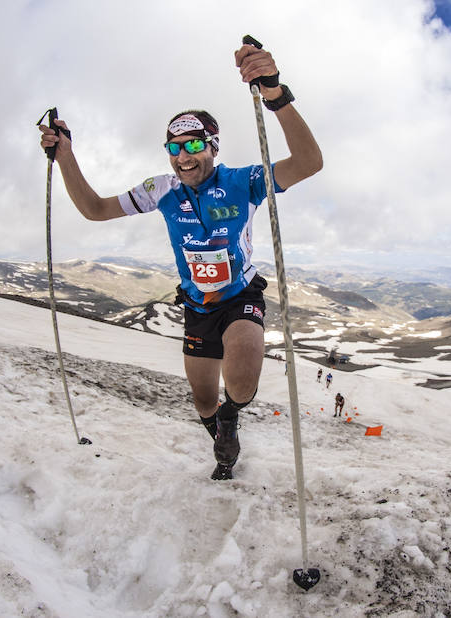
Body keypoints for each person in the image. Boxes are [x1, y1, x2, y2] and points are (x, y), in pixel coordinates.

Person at [38, 41, 322, 481]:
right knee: (203, 400)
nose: (183, 156)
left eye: (193, 144)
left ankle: (231, 416)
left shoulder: (242, 181)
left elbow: (308, 162)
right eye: (173, 148)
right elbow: (95, 209)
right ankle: (222, 435)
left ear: (213, 146)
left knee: (242, 380)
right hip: (196, 305)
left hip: (240, 296)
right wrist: (65, 156)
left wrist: (274, 94)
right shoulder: (161, 189)